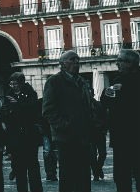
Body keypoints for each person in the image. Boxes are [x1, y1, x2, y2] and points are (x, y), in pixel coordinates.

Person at [42, 50, 94, 192]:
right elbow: (48, 110)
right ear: (62, 64)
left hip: (83, 136)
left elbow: (89, 106)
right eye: (72, 60)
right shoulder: (54, 82)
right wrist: (64, 125)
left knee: (84, 176)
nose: (77, 62)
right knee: (68, 177)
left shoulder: (82, 81)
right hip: (66, 138)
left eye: (78, 60)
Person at [101, 48, 140, 192]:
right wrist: (111, 91)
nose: (117, 64)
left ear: (130, 63)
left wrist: (122, 91)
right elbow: (104, 99)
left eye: (120, 61)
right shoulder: (118, 80)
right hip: (120, 138)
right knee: (121, 177)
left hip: (135, 136)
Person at [1, 72, 43, 192]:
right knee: (19, 169)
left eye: (15, 83)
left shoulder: (31, 94)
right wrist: (6, 111)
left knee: (33, 167)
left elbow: (33, 112)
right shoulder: (8, 95)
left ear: (21, 83)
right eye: (11, 83)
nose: (13, 86)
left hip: (30, 136)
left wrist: (18, 105)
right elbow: (5, 116)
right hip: (15, 137)